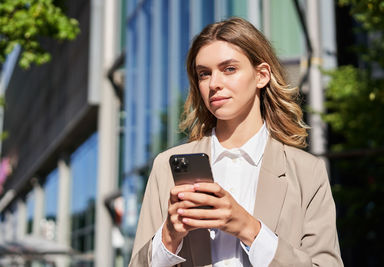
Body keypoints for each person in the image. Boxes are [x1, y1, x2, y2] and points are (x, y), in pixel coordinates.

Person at [129, 17, 343, 267]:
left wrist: (249, 229)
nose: (214, 84)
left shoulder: (306, 171)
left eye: (229, 69)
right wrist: (169, 236)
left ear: (261, 75)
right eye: (204, 74)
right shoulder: (167, 166)